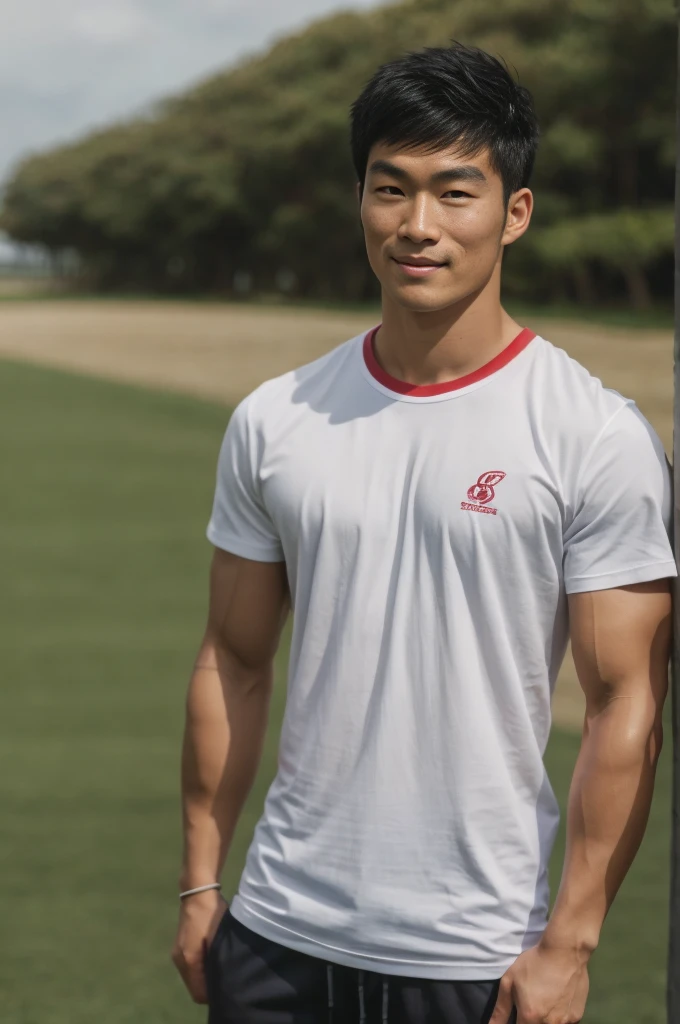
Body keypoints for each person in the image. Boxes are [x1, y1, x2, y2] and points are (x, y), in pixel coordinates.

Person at [171, 42, 675, 1024]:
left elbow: (627, 701)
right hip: (275, 941)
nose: (415, 225)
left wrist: (567, 943)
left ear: (512, 212)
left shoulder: (592, 434)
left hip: (477, 957)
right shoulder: (274, 420)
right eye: (388, 189)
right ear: (357, 199)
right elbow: (231, 660)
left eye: (453, 192)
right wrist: (199, 880)